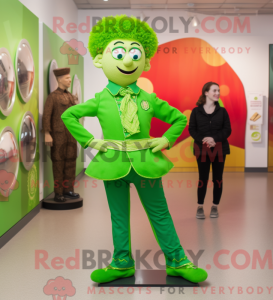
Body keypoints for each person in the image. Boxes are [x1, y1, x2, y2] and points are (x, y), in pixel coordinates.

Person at [61, 15, 208, 283]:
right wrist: (91, 142)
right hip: (112, 164)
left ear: (146, 62)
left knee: (160, 213)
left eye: (134, 54)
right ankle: (121, 263)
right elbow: (69, 115)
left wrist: (166, 140)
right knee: (118, 217)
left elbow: (179, 118)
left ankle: (177, 260)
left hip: (146, 164)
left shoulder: (149, 99)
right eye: (118, 53)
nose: (128, 60)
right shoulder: (99, 101)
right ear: (99, 59)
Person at [188, 82, 232, 219]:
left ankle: (215, 206)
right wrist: (205, 140)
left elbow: (227, 130)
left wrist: (214, 139)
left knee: (218, 179)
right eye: (214, 90)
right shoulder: (196, 111)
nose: (217, 93)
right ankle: (200, 207)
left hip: (220, 149)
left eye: (218, 90)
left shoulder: (223, 111)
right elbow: (192, 130)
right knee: (203, 178)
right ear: (206, 93)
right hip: (201, 150)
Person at [42, 67, 80, 202]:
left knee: (71, 162)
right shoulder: (53, 97)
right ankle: (58, 193)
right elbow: (46, 116)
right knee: (58, 164)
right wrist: (47, 133)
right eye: (67, 78)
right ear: (59, 79)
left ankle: (68, 190)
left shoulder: (70, 96)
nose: (69, 80)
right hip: (58, 136)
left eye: (70, 78)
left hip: (71, 135)